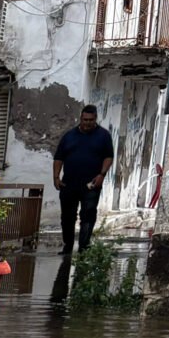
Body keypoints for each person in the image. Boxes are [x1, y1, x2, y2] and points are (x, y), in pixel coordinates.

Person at [53, 105, 114, 255]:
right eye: (85, 120)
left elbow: (108, 157)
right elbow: (59, 158)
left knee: (88, 215)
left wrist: (102, 174)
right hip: (69, 183)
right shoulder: (69, 136)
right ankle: (67, 246)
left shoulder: (103, 136)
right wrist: (56, 177)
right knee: (67, 217)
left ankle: (84, 248)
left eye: (90, 120)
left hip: (91, 184)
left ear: (95, 119)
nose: (87, 123)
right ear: (80, 118)